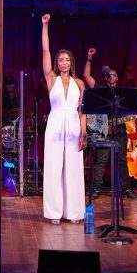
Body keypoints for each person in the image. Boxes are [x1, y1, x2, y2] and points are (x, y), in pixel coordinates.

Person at [41, 13, 87, 225]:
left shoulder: (79, 83)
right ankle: (54, 213)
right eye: (61, 59)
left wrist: (84, 133)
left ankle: (75, 212)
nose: (64, 62)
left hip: (74, 126)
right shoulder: (51, 78)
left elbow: (82, 111)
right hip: (55, 124)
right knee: (53, 168)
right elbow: (45, 50)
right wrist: (45, 26)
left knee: (74, 169)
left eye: (67, 59)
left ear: (72, 62)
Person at [83, 48, 137, 200]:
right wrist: (89, 58)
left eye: (114, 74)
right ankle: (96, 189)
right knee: (101, 160)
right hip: (104, 131)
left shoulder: (123, 94)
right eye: (109, 74)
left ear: (117, 78)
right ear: (106, 77)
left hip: (120, 131)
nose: (112, 76)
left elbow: (132, 110)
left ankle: (126, 189)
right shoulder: (101, 90)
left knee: (122, 160)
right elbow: (86, 76)